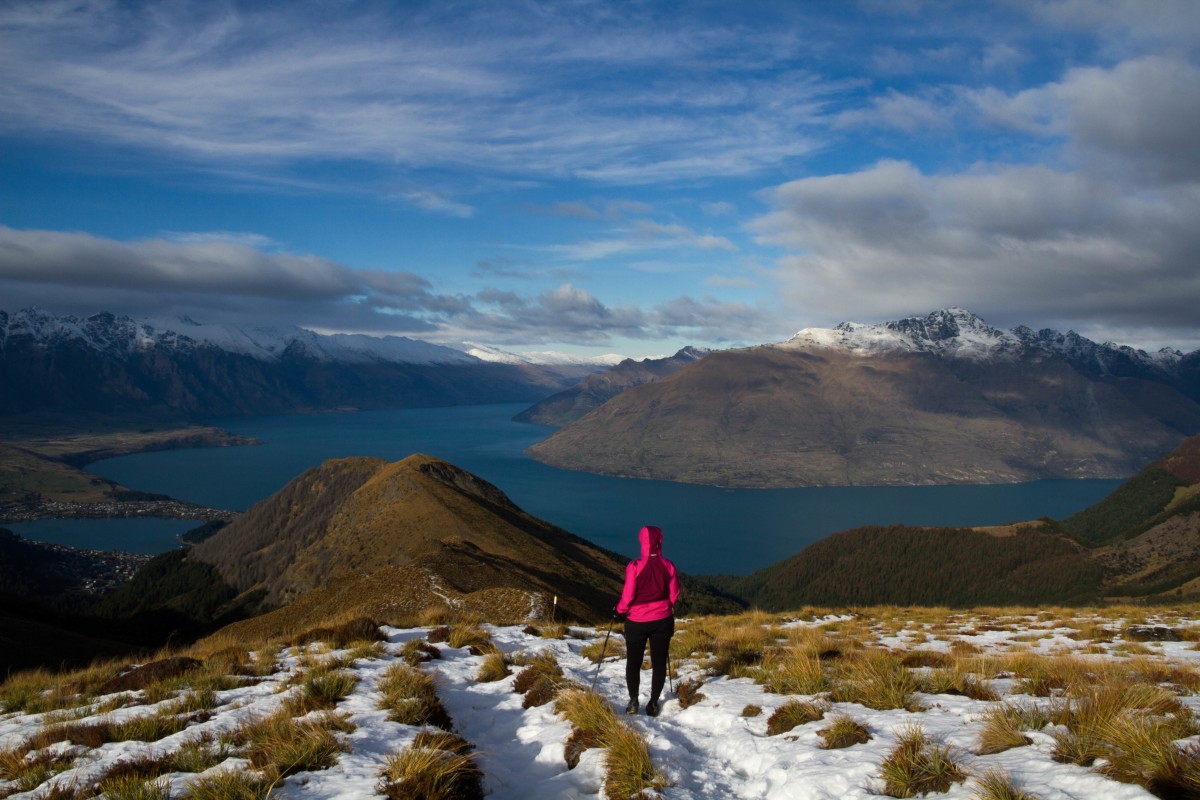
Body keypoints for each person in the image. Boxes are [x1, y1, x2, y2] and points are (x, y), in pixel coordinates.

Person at [614, 524, 681, 717]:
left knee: (633, 663)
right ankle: (653, 704)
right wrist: (665, 605)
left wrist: (619, 610)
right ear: (660, 541)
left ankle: (633, 702)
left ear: (642, 542)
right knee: (659, 663)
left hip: (637, 622)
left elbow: (628, 596)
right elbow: (674, 593)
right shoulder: (668, 565)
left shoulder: (634, 566)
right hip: (663, 619)